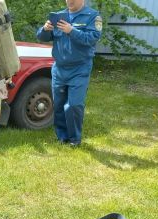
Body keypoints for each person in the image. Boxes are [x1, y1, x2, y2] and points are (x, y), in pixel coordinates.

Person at [37, 0, 102, 147]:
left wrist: (71, 30)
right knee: (59, 105)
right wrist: (45, 29)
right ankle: (62, 137)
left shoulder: (92, 16)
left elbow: (92, 38)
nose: (69, 1)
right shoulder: (60, 15)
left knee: (74, 105)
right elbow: (42, 37)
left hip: (80, 69)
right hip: (59, 68)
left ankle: (74, 139)